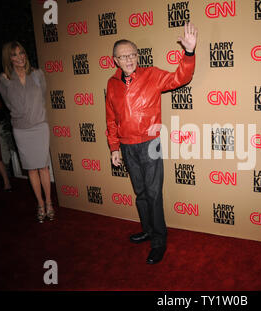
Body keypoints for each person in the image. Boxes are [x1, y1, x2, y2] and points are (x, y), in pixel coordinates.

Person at [106, 22, 197, 264]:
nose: (128, 60)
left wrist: (188, 52)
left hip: (150, 143)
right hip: (127, 146)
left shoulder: (152, 75)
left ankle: (159, 240)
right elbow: (111, 119)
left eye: (132, 55)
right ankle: (147, 230)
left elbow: (181, 77)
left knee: (154, 194)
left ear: (138, 56)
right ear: (115, 60)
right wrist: (114, 148)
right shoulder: (112, 84)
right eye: (123, 56)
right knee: (141, 193)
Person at [0, 41, 54, 223]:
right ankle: (40, 204)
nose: (20, 57)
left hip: (39, 126)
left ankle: (49, 203)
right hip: (21, 129)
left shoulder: (37, 74)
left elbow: (43, 96)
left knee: (44, 167)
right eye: (14, 54)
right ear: (9, 58)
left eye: (22, 52)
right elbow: (8, 103)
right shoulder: (4, 79)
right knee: (31, 169)